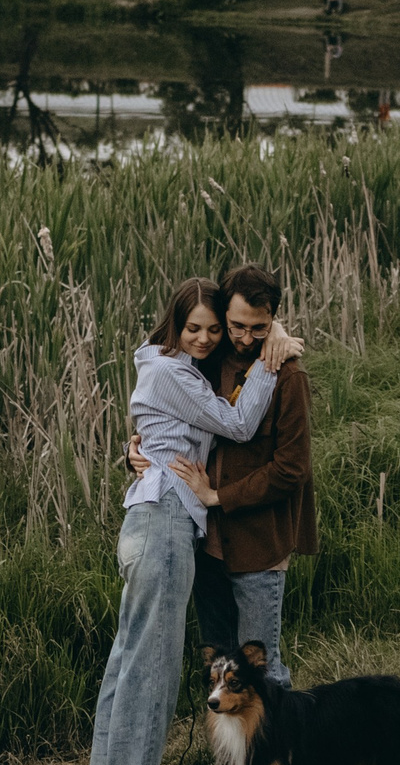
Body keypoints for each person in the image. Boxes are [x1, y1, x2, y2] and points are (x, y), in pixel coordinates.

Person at [84, 279, 301, 765]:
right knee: (149, 674)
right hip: (164, 520)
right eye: (194, 328)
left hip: (154, 516)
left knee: (128, 664)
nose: (205, 339)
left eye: (213, 329)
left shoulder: (175, 367)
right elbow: (236, 424)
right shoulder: (172, 370)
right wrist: (269, 362)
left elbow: (168, 427)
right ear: (173, 326)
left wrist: (269, 334)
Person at [130, 266, 311, 691]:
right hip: (207, 545)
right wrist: (133, 452)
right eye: (236, 327)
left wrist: (218, 497)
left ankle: (278, 757)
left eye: (259, 329)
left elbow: (292, 469)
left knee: (261, 668)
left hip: (258, 542)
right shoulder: (206, 363)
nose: (246, 339)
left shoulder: (288, 375)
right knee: (219, 667)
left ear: (273, 320)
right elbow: (165, 421)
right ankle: (231, 758)